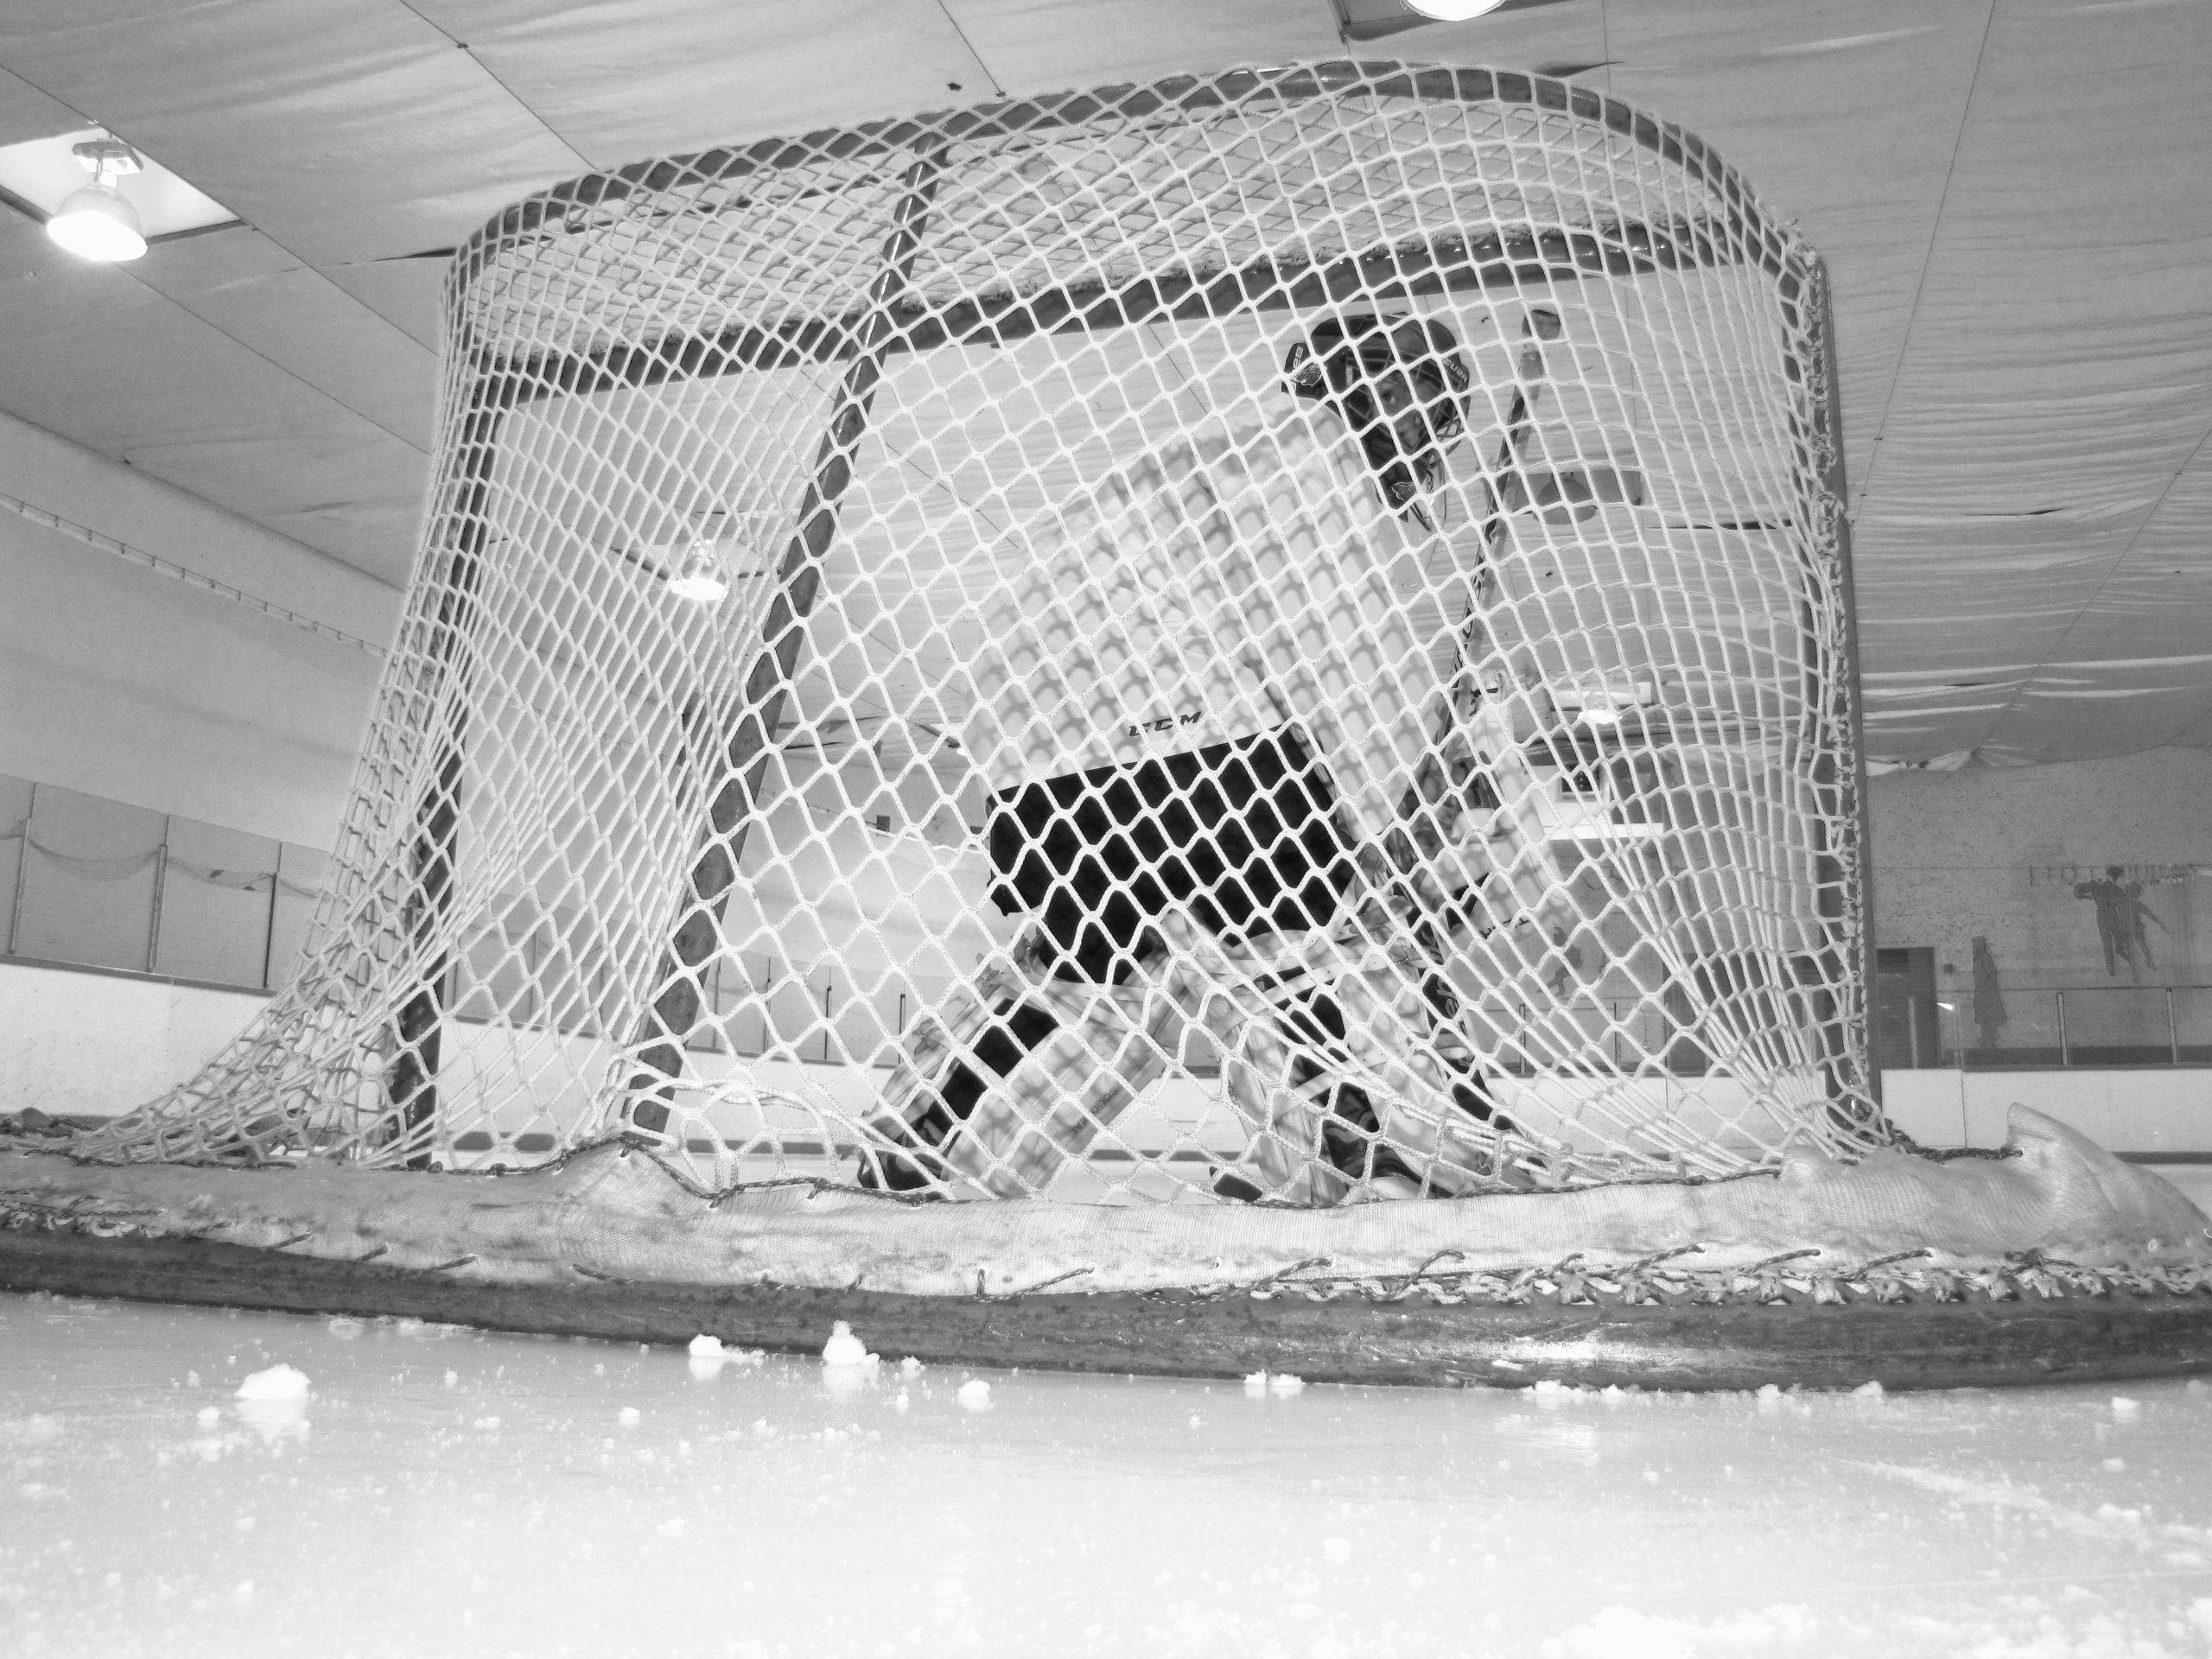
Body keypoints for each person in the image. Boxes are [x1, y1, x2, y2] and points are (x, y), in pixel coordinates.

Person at [857, 311, 1566, 1204]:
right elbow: (1325, 649)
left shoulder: (1208, 457)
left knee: (1094, 988)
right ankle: (1360, 1162)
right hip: (1212, 758)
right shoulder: (1315, 465)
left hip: (1050, 778)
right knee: (1312, 955)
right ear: (1385, 387)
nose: (1436, 433)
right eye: (1433, 404)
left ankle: (929, 1133)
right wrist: (1376, 815)